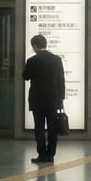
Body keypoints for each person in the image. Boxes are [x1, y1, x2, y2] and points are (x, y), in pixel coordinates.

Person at [22, 34, 66, 164]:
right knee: (52, 128)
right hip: (53, 99)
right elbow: (61, 80)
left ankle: (42, 154)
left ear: (35, 46)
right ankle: (51, 154)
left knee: (39, 127)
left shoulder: (32, 61)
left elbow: (25, 76)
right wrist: (61, 98)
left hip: (37, 99)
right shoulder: (56, 60)